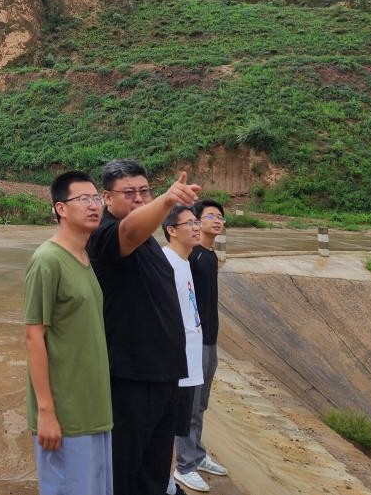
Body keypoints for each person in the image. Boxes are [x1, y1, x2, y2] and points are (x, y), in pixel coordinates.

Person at [87, 159, 200, 495]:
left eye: (144, 191)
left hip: (163, 375)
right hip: (132, 378)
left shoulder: (149, 240)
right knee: (125, 469)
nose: (139, 198)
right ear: (107, 198)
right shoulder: (105, 234)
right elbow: (129, 231)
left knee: (155, 467)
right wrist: (166, 200)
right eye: (129, 193)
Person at [25, 170, 113, 495]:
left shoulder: (84, 258)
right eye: (83, 199)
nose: (94, 205)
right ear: (61, 208)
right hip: (66, 414)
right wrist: (46, 412)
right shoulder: (47, 260)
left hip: (93, 409)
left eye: (96, 198)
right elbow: (33, 336)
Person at [173, 200, 229, 492]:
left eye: (220, 217)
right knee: (190, 405)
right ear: (196, 221)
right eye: (209, 216)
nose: (216, 221)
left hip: (210, 340)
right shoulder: (192, 256)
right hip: (194, 342)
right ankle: (185, 466)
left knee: (201, 404)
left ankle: (197, 453)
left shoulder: (209, 255)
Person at [160, 206, 204, 495]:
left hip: (190, 359)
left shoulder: (184, 261)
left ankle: (167, 479)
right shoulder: (167, 262)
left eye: (197, 221)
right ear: (171, 230)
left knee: (179, 424)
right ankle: (164, 482)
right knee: (165, 428)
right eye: (190, 223)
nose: (196, 227)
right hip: (176, 363)